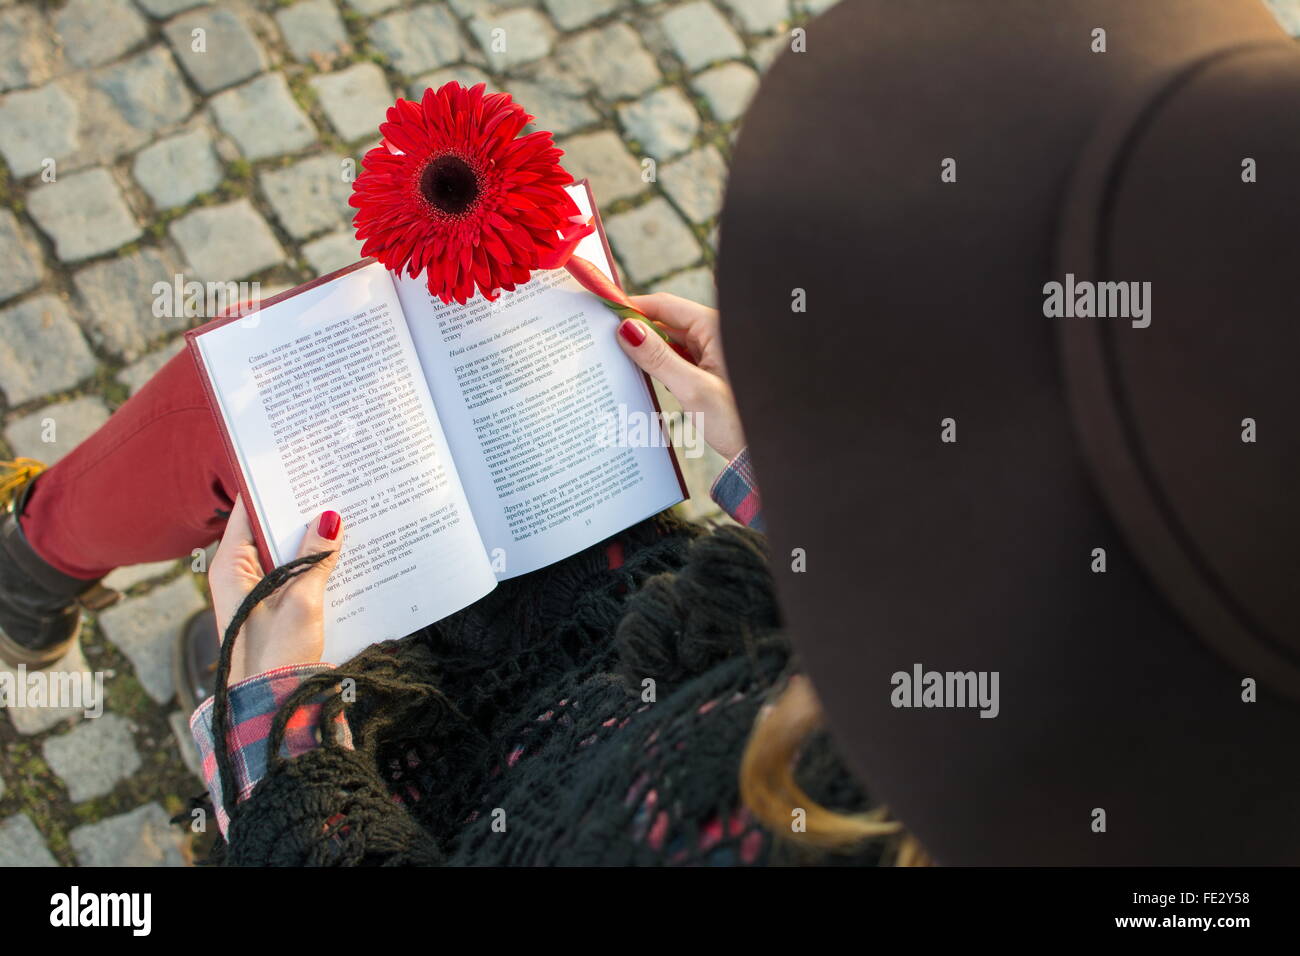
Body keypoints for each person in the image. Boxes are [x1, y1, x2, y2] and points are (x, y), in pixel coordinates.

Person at [0, 290, 910, 865]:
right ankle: (35, 572)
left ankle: (34, 572)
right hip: (638, 636)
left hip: (453, 796)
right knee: (304, 345)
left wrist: (275, 718)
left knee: (262, 411)